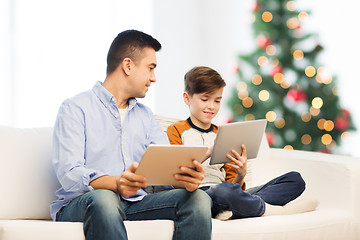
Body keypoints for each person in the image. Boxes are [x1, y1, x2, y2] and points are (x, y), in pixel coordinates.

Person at [50, 30, 212, 240]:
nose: (154, 78)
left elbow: (165, 172)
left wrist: (184, 179)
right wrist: (117, 184)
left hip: (136, 203)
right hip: (85, 203)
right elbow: (69, 172)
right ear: (128, 66)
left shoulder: (145, 117)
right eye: (150, 68)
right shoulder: (75, 108)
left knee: (198, 199)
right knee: (105, 199)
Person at [167, 66, 318, 220]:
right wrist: (208, 152)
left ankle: (237, 209)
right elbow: (175, 176)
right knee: (224, 191)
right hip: (201, 196)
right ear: (187, 98)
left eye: (217, 100)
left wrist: (241, 174)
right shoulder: (176, 130)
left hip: (229, 194)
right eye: (205, 99)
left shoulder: (223, 134)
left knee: (295, 180)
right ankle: (267, 209)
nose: (211, 106)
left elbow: (235, 187)